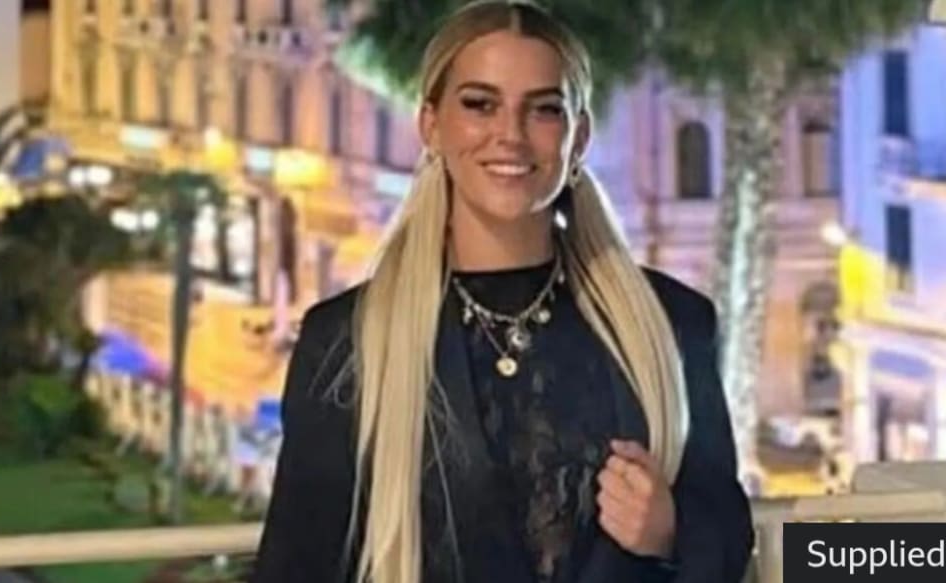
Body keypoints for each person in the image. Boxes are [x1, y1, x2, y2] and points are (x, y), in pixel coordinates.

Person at [251, 2, 754, 582]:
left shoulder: (672, 322)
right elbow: (298, 566)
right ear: (431, 125)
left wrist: (671, 532)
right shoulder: (347, 342)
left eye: (543, 109)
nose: (510, 135)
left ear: (578, 136)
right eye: (480, 104)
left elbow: (728, 531)